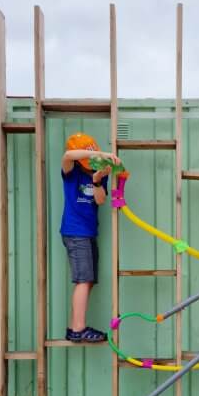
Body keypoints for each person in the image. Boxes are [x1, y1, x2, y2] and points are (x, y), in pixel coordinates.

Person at [60, 132, 120, 343]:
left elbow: (101, 201)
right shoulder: (71, 171)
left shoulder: (96, 174)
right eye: (87, 160)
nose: (89, 163)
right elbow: (68, 155)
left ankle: (74, 326)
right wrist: (103, 153)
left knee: (88, 281)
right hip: (75, 231)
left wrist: (96, 182)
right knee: (83, 280)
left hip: (88, 232)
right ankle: (78, 328)